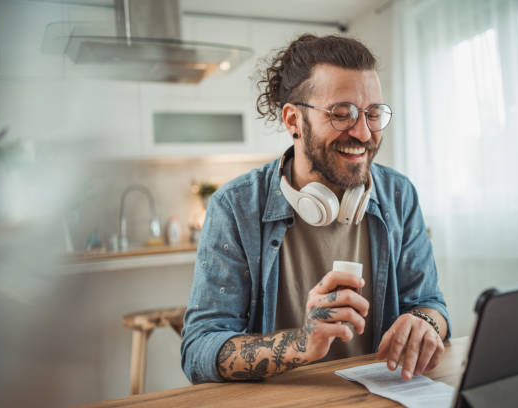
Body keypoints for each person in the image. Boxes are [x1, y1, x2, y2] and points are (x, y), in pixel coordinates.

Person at [181, 34, 450, 384]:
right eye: (342, 114)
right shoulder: (235, 206)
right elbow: (199, 349)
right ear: (293, 121)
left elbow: (431, 304)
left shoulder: (399, 194)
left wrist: (424, 322)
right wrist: (302, 343)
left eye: (373, 113)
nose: (364, 133)